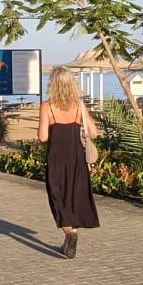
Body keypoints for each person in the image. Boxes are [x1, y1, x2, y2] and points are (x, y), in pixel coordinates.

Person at [37, 66, 100, 258]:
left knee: (57, 197)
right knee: (74, 196)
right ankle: (71, 235)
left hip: (56, 158)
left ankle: (70, 233)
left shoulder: (47, 106)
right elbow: (94, 132)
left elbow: (43, 137)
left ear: (52, 85)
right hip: (77, 159)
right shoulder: (79, 105)